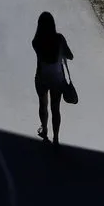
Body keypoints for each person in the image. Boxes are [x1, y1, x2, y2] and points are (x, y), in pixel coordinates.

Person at [31, 11, 73, 148]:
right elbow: (70, 56)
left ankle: (44, 129)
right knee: (56, 108)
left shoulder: (36, 42)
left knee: (43, 104)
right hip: (57, 78)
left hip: (42, 77)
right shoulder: (59, 39)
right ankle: (56, 138)